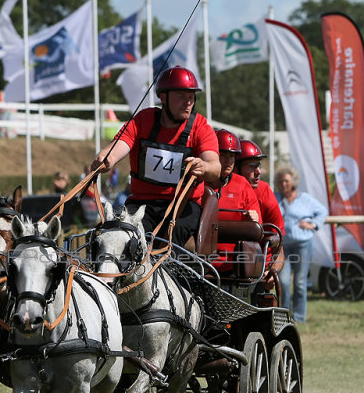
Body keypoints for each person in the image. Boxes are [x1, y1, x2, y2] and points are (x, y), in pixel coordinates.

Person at [90, 65, 220, 246]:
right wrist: (106, 159)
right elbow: (118, 147)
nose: (188, 102)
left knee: (174, 236)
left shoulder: (201, 127)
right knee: (118, 237)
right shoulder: (143, 120)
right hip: (142, 204)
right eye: (181, 96)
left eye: (191, 97)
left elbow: (215, 166)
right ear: (163, 97)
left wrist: (204, 167)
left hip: (183, 207)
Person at [275, 167, 328, 323]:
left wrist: (313, 224)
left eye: (286, 181)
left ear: (293, 183)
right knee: (283, 281)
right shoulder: (275, 197)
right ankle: (284, 316)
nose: (283, 184)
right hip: (283, 246)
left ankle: (298, 317)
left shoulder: (305, 199)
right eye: (281, 181)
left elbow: (322, 211)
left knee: (299, 281)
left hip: (303, 245)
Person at [205, 129, 261, 273]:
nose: (228, 161)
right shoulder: (198, 183)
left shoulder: (242, 185)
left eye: (232, 156)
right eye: (223, 155)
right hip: (200, 263)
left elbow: (258, 227)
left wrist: (254, 220)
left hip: (235, 266)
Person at [235, 139, 286, 277]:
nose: (258, 172)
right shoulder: (218, 190)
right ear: (235, 167)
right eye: (251, 166)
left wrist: (272, 270)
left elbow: (279, 244)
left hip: (258, 267)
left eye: (258, 165)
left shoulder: (264, 191)